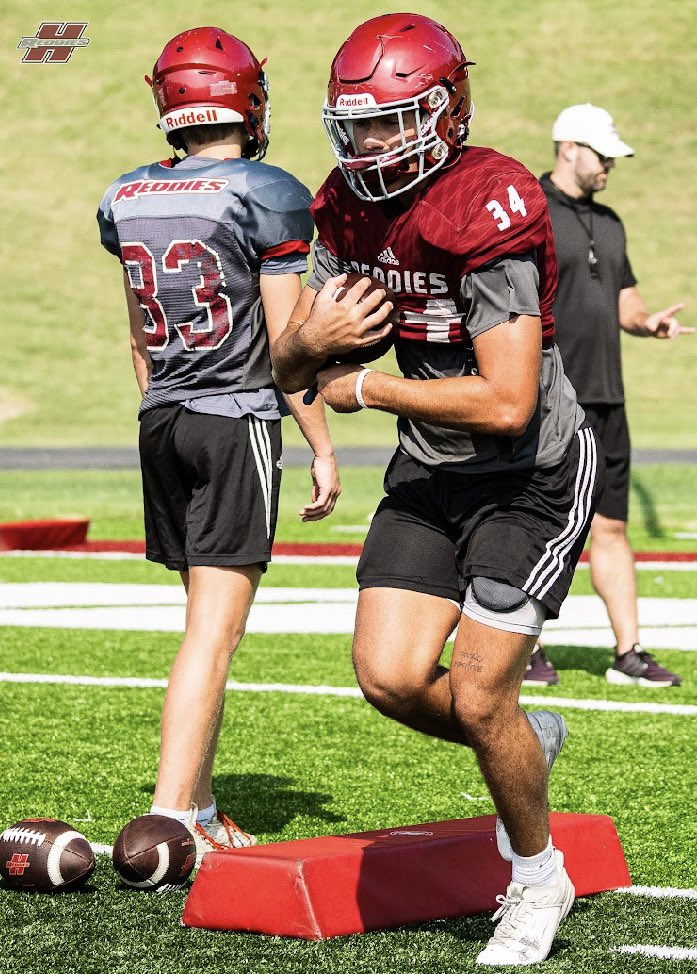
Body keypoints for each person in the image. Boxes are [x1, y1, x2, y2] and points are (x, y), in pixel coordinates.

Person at [271, 14, 605, 966]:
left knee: (477, 688)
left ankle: (538, 877)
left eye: (390, 122)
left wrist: (365, 384)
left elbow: (503, 402)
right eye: (356, 124)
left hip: (530, 473)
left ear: (445, 109)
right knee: (386, 677)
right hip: (431, 466)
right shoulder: (344, 204)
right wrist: (308, 346)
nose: (368, 145)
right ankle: (521, 743)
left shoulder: (486, 199)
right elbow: (287, 359)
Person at [97, 26, 340, 870]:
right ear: (248, 99)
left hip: (161, 416)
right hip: (234, 420)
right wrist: (320, 442)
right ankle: (172, 819)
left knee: (199, 624)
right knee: (213, 632)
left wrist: (167, 408)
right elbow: (289, 341)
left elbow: (137, 335)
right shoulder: (266, 189)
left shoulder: (124, 195)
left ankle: (198, 800)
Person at [523, 103, 694, 690]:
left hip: (608, 400)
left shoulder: (611, 221)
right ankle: (524, 648)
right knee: (536, 522)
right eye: (604, 156)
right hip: (549, 397)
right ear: (568, 147)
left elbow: (625, 303)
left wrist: (649, 324)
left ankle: (630, 653)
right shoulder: (530, 211)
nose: (610, 167)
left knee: (612, 529)